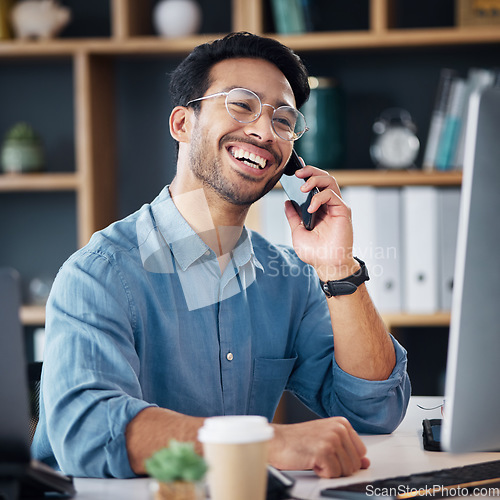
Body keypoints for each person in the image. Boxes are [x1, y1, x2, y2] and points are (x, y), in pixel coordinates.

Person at [32, 32, 410, 480]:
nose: (265, 132)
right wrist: (265, 442)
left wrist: (337, 266)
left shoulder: (287, 277)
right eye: (242, 104)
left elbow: (375, 409)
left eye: (284, 120)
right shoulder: (98, 275)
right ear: (182, 125)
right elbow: (88, 431)